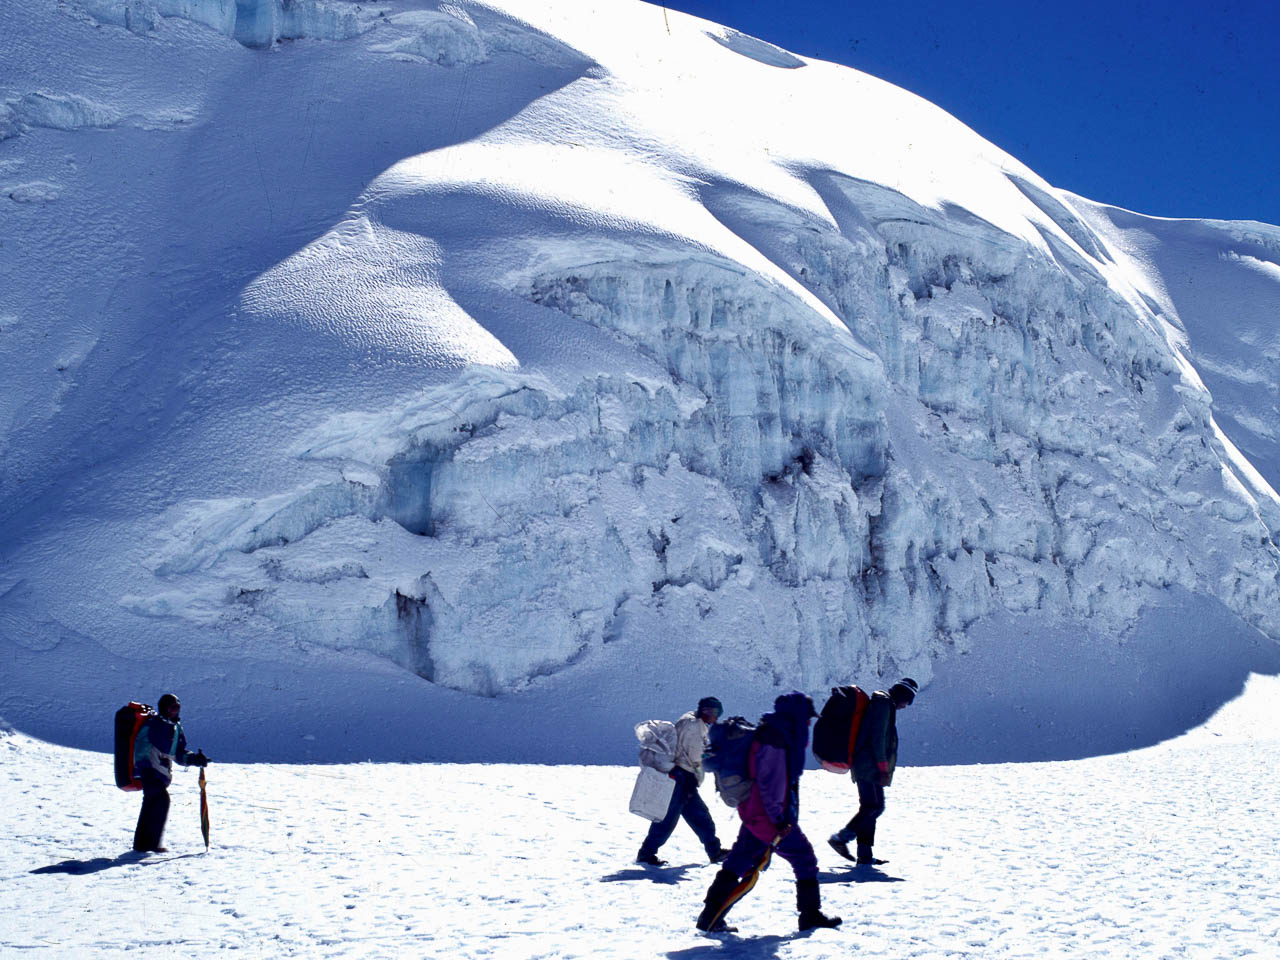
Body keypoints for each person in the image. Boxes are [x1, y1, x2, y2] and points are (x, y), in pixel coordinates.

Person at [697, 692, 841, 933]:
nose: (808, 723)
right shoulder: (777, 739)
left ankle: (710, 915)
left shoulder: (772, 732)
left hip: (753, 810)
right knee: (803, 857)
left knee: (739, 859)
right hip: (768, 815)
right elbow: (770, 782)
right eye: (807, 718)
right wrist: (779, 820)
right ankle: (810, 914)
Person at [827, 677, 918, 865]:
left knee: (870, 808)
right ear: (903, 695)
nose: (906, 706)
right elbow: (877, 737)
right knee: (874, 807)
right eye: (908, 700)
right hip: (869, 767)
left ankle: (865, 855)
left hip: (868, 766)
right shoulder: (883, 705)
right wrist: (883, 767)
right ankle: (841, 839)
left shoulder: (884, 704)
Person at [636, 696, 727, 866]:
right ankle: (646, 854)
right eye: (712, 712)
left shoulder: (690, 720)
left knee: (700, 817)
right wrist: (713, 756)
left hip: (684, 778)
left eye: (717, 712)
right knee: (668, 819)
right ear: (704, 710)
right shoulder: (694, 726)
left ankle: (715, 851)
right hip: (681, 778)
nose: (715, 716)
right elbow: (695, 756)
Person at [133, 693, 208, 853]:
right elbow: (159, 747)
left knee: (154, 803)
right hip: (149, 769)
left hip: (160, 772)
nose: (175, 711)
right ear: (163, 708)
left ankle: (144, 845)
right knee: (159, 801)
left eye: (177, 708)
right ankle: (146, 845)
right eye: (171, 708)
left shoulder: (175, 727)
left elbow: (178, 753)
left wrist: (195, 759)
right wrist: (143, 769)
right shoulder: (155, 724)